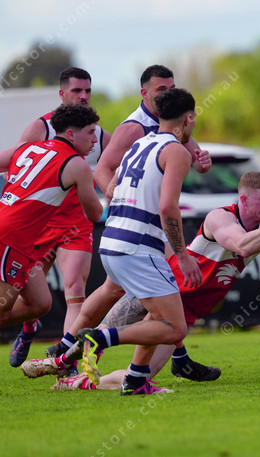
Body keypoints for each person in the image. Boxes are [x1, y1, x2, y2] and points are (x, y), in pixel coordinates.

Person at [42, 172, 260, 390]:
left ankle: (76, 382)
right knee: (102, 327)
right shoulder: (221, 217)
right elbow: (242, 245)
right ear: (243, 199)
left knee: (138, 373)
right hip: (164, 286)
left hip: (188, 307)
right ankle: (60, 359)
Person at [22, 88, 201, 396]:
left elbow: (113, 185)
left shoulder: (140, 144)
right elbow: (168, 207)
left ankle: (133, 379)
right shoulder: (176, 152)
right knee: (175, 327)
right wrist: (183, 256)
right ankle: (99, 339)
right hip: (138, 247)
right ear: (189, 119)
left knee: (142, 305)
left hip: (112, 238)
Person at [7, 67, 112, 368]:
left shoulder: (97, 134)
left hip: (76, 224)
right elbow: (13, 164)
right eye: (77, 90)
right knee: (22, 299)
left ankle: (66, 365)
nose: (83, 96)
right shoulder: (39, 129)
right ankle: (30, 327)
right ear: (62, 93)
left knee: (74, 291)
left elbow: (116, 167)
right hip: (36, 226)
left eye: (88, 90)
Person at [0, 104, 103, 334]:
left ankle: (29, 331)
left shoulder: (26, 147)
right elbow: (96, 214)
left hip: (20, 241)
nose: (95, 140)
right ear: (71, 134)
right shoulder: (77, 164)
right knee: (2, 309)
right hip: (10, 239)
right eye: (90, 132)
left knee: (40, 303)